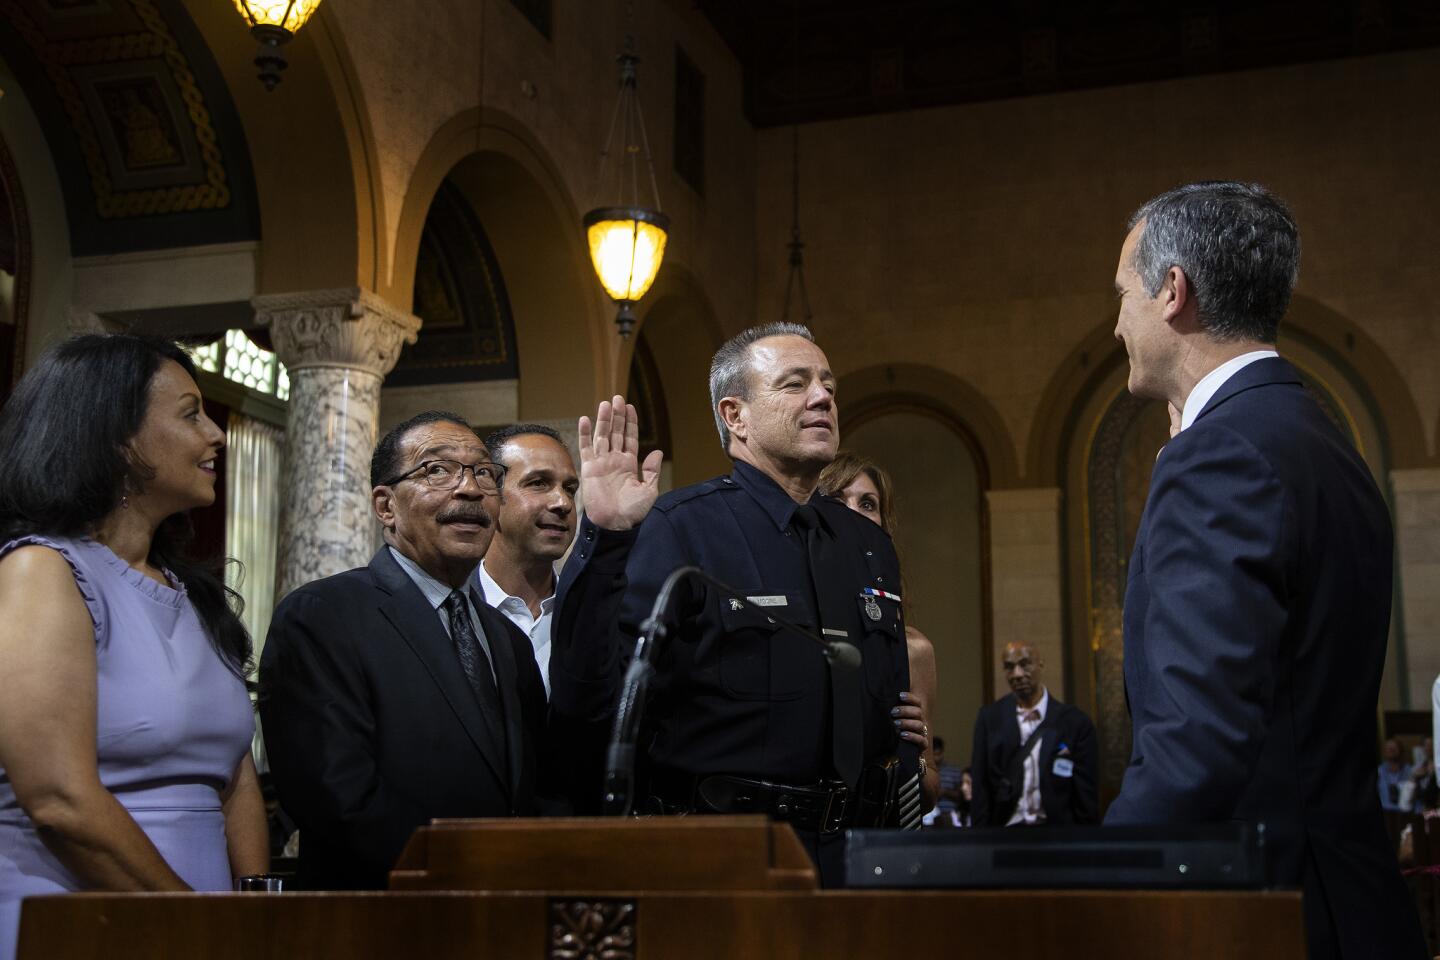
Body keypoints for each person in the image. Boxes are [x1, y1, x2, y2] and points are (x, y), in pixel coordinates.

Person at [1104, 181, 1427, 958]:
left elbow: (1195, 744)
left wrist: (1099, 889)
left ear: (1172, 291)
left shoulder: (1217, 455)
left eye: (1122, 295)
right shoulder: (1322, 439)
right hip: (1352, 905)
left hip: (1269, 914)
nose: (1116, 323)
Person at [552, 323, 917, 886]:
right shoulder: (681, 528)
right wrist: (602, 538)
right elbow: (595, 699)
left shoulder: (867, 544)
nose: (823, 397)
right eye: (794, 384)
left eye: (827, 385)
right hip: (727, 856)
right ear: (735, 415)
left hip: (859, 857)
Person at [0, 335, 267, 960]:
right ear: (119, 438)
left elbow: (235, 779)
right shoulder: (42, 571)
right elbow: (59, 800)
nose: (216, 434)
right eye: (189, 414)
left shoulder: (195, 597)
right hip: (76, 925)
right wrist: (197, 927)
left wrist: (253, 910)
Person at [259, 411, 547, 890]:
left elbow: (538, 784)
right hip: (380, 915)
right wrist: (468, 875)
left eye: (483, 473)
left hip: (502, 913)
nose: (470, 490)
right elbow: (337, 797)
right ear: (385, 506)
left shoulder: (506, 637)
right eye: (437, 471)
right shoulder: (322, 617)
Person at [818, 451, 940, 810]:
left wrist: (913, 754)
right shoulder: (791, 629)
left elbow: (930, 791)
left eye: (867, 503)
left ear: (884, 528)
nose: (853, 513)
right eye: (836, 500)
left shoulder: (914, 649)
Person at [477, 423, 579, 699]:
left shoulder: (586, 614)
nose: (563, 503)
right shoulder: (452, 608)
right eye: (538, 483)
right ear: (490, 496)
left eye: (570, 488)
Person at [970, 641, 1098, 827]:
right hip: (1006, 833)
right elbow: (980, 787)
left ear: (1041, 664)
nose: (1017, 674)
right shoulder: (990, 719)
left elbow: (1086, 793)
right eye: (1009, 667)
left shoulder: (1074, 723)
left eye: (1024, 664)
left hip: (1057, 834)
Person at [1378, 738, 1414, 813]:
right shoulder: (1379, 771)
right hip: (1385, 812)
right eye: (1389, 748)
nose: (1391, 750)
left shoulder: (1410, 771)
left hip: (1405, 813)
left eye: (1394, 748)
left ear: (1401, 750)